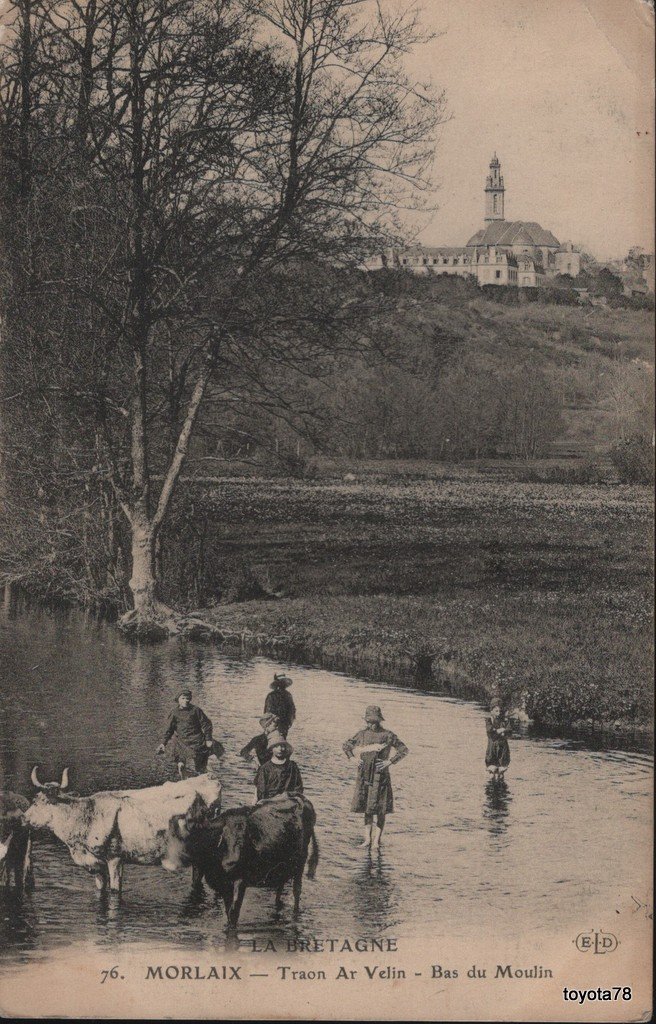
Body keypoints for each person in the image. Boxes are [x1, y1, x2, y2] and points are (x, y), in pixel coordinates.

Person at [343, 705, 408, 850]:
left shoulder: (388, 735)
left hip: (380, 776)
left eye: (374, 721)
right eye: (368, 721)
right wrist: (352, 758)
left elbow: (404, 750)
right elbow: (346, 746)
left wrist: (389, 762)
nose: (371, 724)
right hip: (364, 775)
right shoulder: (361, 734)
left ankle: (376, 841)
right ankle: (367, 839)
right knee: (367, 808)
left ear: (379, 721)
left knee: (380, 809)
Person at [157, 689, 215, 776]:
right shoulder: (174, 712)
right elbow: (169, 729)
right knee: (179, 753)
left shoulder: (196, 710)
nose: (186, 701)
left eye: (187, 698)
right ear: (178, 700)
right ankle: (182, 768)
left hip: (197, 740)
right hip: (182, 740)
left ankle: (201, 773)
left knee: (200, 763)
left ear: (190, 699)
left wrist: (208, 739)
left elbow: (206, 724)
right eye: (183, 698)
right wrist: (163, 743)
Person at [254, 732, 304, 802]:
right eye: (276, 746)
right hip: (268, 801)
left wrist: (291, 797)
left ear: (285, 748)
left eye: (282, 746)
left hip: (288, 801)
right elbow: (261, 790)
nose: (280, 749)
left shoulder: (292, 766)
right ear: (271, 749)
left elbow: (298, 788)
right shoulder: (265, 768)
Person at [485, 703, 511, 779]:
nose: (498, 713)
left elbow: (509, 731)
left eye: (500, 711)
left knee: (501, 771)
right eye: (496, 711)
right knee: (492, 771)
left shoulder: (505, 720)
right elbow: (490, 731)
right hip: (492, 748)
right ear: (491, 711)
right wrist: (501, 730)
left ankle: (501, 788)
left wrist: (497, 731)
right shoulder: (489, 720)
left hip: (503, 748)